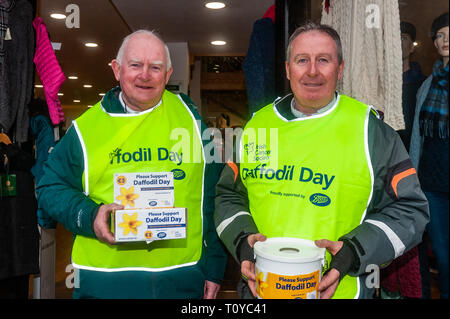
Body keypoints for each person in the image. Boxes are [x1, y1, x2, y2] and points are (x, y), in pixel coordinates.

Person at [214, 22, 429, 299]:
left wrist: (354, 251)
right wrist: (243, 241)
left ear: (339, 69)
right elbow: (227, 195)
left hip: (341, 292)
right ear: (288, 68)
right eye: (302, 60)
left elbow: (411, 210)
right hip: (262, 290)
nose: (312, 71)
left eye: (323, 60)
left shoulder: (371, 131)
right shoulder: (258, 127)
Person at [36, 30, 227, 299]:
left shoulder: (192, 122)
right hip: (106, 281)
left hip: (181, 277)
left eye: (155, 67)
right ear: (117, 69)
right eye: (135, 65)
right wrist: (91, 216)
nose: (145, 75)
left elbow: (211, 195)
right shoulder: (85, 130)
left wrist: (214, 266)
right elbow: (49, 186)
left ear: (168, 74)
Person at [410, 12, 449, 299]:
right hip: (432, 186)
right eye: (440, 35)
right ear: (434, 42)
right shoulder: (426, 85)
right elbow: (416, 137)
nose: (446, 40)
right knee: (444, 258)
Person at [398, 21, 427, 151]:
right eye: (395, 37)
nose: (398, 42)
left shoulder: (423, 85)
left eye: (403, 38)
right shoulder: (377, 83)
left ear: (411, 47)